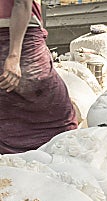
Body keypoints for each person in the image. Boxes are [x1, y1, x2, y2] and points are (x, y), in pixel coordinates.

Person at [0, 0, 77, 154]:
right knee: (57, 118)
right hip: (22, 43)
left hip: (17, 39)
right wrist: (14, 56)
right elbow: (22, 3)